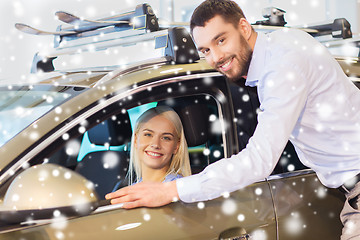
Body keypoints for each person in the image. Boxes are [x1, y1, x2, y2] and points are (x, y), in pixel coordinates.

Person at [106, 1, 360, 238]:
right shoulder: (282, 45)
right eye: (205, 49)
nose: (215, 57)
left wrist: (170, 190)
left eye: (221, 40)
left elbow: (259, 161)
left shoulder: (283, 68)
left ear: (244, 27)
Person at [111, 105, 191, 191]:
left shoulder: (181, 190)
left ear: (176, 146)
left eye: (166, 138)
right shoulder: (130, 190)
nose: (155, 144)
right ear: (135, 140)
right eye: (148, 134)